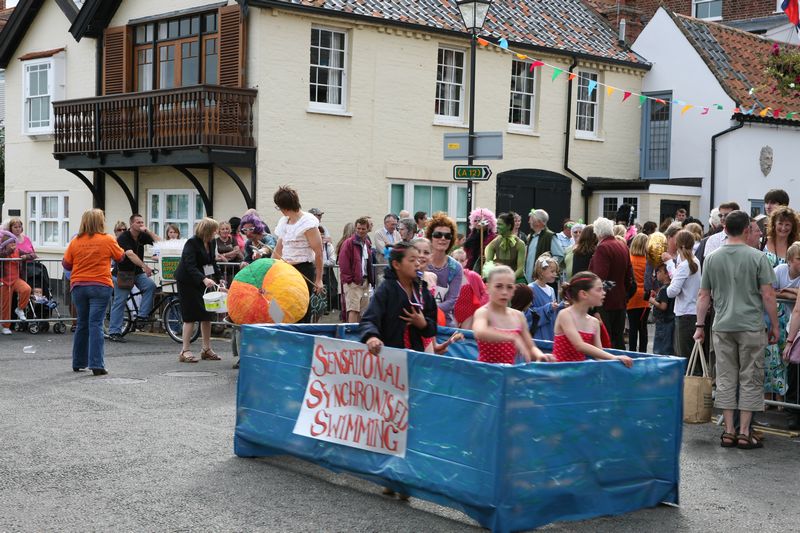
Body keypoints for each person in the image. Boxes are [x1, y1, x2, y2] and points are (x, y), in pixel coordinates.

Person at [695, 210, 778, 449]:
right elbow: (768, 295)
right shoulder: (757, 257)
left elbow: (703, 296)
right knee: (751, 378)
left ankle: (728, 431)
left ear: (725, 229)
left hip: (722, 326)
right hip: (750, 325)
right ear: (745, 230)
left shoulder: (712, 257)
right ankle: (744, 432)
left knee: (726, 378)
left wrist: (700, 326)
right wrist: (774, 325)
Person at [62, 209, 125, 375]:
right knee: (96, 323)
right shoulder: (107, 239)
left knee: (82, 323)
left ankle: (78, 362)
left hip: (79, 285)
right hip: (100, 285)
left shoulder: (75, 241)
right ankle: (96, 364)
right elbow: (120, 257)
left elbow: (67, 264)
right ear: (100, 222)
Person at [360, 242, 437, 355]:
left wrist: (423, 324)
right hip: (390, 359)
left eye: (418, 260)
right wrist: (372, 337)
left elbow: (433, 326)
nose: (417, 264)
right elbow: (369, 319)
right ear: (397, 265)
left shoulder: (422, 290)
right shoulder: (386, 290)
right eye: (412, 260)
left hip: (415, 357)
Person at [552, 271, 634, 367]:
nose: (604, 293)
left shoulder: (594, 322)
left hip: (578, 376)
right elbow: (579, 345)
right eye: (599, 290)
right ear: (584, 294)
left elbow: (599, 355)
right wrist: (613, 357)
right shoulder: (565, 315)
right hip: (559, 375)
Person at [472, 265, 549, 364]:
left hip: (510, 375)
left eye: (509, 287)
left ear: (513, 291)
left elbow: (531, 347)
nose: (504, 292)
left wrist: (541, 355)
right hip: (487, 375)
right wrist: (512, 337)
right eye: (498, 286)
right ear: (487, 288)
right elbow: (480, 332)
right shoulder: (483, 312)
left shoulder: (518, 316)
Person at [174, 218, 224, 363]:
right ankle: (185, 350)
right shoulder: (192, 243)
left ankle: (206, 349)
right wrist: (203, 279)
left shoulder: (211, 242)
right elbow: (190, 265)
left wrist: (219, 277)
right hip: (187, 281)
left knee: (206, 314)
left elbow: (212, 261)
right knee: (190, 316)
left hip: (202, 281)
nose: (216, 233)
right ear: (207, 230)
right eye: (214, 230)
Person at [272, 187, 325, 324]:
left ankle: (301, 341)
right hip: (284, 271)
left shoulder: (308, 222)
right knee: (282, 307)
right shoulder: (284, 221)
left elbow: (319, 252)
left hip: (303, 270)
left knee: (300, 310)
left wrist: (319, 279)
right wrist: (269, 269)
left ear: (284, 207)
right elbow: (278, 248)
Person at [108, 214, 160, 343]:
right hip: (123, 272)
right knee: (120, 301)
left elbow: (160, 242)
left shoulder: (143, 235)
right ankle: (114, 332)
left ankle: (142, 316)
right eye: (138, 222)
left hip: (136, 272)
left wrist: (148, 231)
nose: (141, 224)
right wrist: (145, 266)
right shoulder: (124, 237)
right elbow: (130, 254)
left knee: (150, 286)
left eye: (142, 222)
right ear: (131, 224)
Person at [588, 217, 634, 350]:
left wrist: (594, 306)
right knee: (618, 339)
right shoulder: (622, 246)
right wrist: (624, 294)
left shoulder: (603, 248)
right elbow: (628, 276)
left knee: (606, 340)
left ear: (598, 233)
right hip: (620, 300)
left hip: (605, 301)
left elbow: (599, 279)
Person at [765, 241, 800, 401]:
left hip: (794, 324)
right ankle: (774, 398)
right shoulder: (780, 270)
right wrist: (794, 294)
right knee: (776, 360)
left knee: (790, 361)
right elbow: (769, 291)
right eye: (799, 258)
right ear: (790, 260)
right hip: (780, 320)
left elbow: (778, 293)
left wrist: (789, 292)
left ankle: (785, 400)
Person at [666, 230, 701, 361]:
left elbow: (672, 291)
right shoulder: (694, 261)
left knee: (684, 355)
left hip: (684, 313)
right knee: (691, 354)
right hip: (693, 311)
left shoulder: (685, 264)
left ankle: (688, 381)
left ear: (677, 244)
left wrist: (670, 264)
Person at [425, 212, 463, 327]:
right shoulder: (420, 262)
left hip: (444, 323)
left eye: (447, 236)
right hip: (419, 319)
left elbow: (451, 301)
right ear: (430, 237)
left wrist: (429, 310)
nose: (443, 239)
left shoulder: (456, 268)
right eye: (438, 234)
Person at [338, 217, 375, 323]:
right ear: (355, 228)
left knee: (363, 310)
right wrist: (349, 280)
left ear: (368, 229)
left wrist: (370, 281)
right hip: (353, 283)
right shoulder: (349, 243)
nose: (360, 231)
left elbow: (368, 263)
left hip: (365, 281)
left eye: (363, 229)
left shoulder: (367, 243)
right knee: (353, 310)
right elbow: (343, 263)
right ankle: (351, 334)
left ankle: (358, 333)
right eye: (358, 228)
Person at [0, 236, 31, 335]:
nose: (14, 244)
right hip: (4, 281)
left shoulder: (18, 250)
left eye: (14, 242)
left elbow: (32, 255)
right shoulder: (2, 252)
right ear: (5, 244)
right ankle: (5, 326)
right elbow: (3, 255)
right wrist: (8, 251)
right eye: (11, 243)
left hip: (16, 279)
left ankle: (20, 308)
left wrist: (27, 257)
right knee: (6, 305)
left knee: (26, 289)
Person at [484, 212, 527, 282]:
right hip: (498, 279)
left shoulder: (520, 244)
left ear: (509, 226)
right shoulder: (493, 244)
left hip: (516, 279)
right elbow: (488, 265)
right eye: (497, 224)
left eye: (500, 224)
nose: (497, 226)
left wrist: (509, 279)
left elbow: (520, 268)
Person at [451, 248, 488, 329]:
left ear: (466, 262)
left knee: (466, 337)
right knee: (452, 335)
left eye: (461, 260)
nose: (458, 262)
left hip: (470, 314)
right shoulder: (447, 276)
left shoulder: (473, 276)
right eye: (456, 260)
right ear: (451, 261)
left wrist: (480, 308)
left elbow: (485, 292)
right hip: (453, 313)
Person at [528, 254, 562, 341]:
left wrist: (560, 306)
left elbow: (552, 312)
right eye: (552, 271)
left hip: (550, 331)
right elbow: (528, 314)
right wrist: (548, 307)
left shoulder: (551, 290)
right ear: (541, 271)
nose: (555, 274)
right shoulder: (531, 288)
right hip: (538, 334)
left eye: (556, 272)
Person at [525, 209, 564, 283]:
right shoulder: (531, 236)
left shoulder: (550, 236)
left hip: (543, 282)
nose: (529, 221)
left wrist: (546, 268)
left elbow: (559, 255)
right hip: (530, 281)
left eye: (531, 219)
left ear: (538, 222)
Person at [627, 233, 650, 353]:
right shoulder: (648, 261)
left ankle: (631, 351)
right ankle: (643, 351)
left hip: (631, 297)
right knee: (643, 327)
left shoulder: (629, 259)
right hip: (645, 297)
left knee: (632, 327)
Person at [649, 263, 675, 355]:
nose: (657, 274)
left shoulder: (664, 289)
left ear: (667, 274)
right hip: (669, 321)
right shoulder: (671, 287)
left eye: (660, 271)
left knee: (661, 348)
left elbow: (663, 306)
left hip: (663, 322)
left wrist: (652, 301)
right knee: (668, 346)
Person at [463, 208, 496, 273]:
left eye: (480, 220)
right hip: (470, 266)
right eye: (475, 220)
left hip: (484, 268)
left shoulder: (493, 237)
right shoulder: (471, 236)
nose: (478, 223)